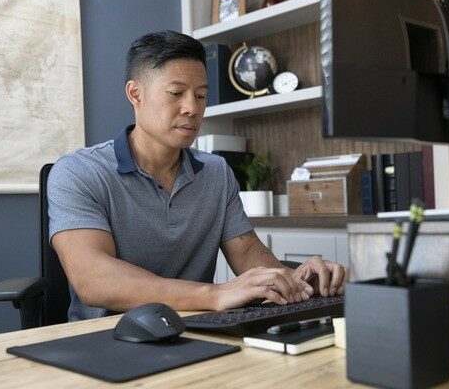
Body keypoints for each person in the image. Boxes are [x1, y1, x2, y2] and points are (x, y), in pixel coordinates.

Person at [48, 30, 348, 321]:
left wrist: (293, 280)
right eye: (176, 93)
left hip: (196, 330)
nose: (192, 108)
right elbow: (93, 279)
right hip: (107, 338)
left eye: (201, 95)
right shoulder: (78, 172)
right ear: (135, 94)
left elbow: (247, 254)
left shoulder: (216, 172)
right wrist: (215, 295)